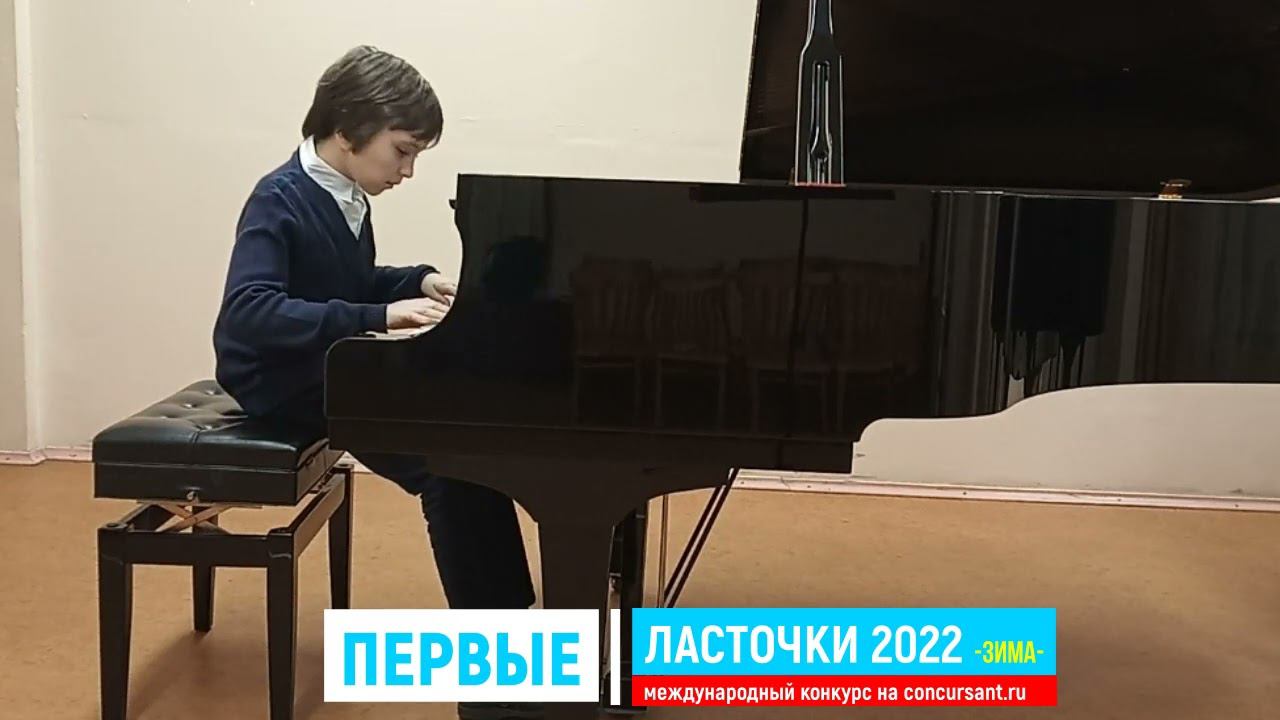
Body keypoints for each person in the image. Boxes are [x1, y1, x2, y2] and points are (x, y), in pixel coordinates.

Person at [211, 46, 541, 720]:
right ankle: (497, 693)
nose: (408, 170)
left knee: (472, 443)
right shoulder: (278, 198)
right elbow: (248, 312)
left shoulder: (342, 193)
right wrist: (377, 316)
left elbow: (347, 283)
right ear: (346, 129)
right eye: (402, 151)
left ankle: (514, 638)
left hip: (329, 368)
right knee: (448, 464)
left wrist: (419, 280)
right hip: (282, 383)